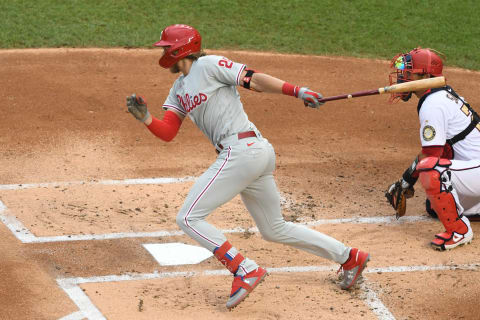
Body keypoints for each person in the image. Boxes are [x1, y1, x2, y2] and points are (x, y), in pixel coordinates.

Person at [126, 24, 370, 309]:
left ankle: (243, 269)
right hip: (251, 154)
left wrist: (297, 90)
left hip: (243, 150)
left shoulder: (209, 64)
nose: (164, 52)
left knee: (189, 218)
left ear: (181, 48)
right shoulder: (178, 88)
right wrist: (145, 118)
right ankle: (348, 256)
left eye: (167, 47)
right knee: (273, 228)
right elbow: (168, 131)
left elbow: (254, 80)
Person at [385, 47, 480, 251]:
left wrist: (405, 181)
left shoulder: (433, 104)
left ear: (426, 75)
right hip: (476, 168)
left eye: (409, 72)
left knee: (432, 170)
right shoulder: (442, 94)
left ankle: (459, 231)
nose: (403, 77)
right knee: (436, 207)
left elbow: (430, 155)